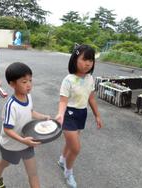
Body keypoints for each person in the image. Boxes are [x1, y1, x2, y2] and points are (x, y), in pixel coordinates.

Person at [0, 62, 50, 188]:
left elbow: (30, 111)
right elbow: (7, 130)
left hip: (27, 142)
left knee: (33, 173)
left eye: (30, 80)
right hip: (11, 145)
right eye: (24, 82)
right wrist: (23, 140)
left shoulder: (28, 96)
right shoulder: (11, 106)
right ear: (12, 84)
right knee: (5, 163)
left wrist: (43, 117)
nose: (29, 84)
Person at [55, 45, 103, 188]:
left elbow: (92, 98)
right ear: (75, 59)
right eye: (84, 59)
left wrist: (97, 115)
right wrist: (60, 114)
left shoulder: (90, 78)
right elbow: (63, 101)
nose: (88, 63)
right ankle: (68, 173)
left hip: (82, 114)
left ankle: (62, 160)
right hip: (69, 114)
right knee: (75, 148)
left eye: (91, 60)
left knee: (71, 143)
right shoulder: (68, 80)